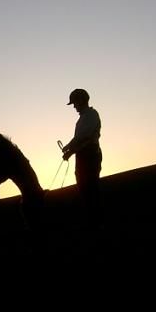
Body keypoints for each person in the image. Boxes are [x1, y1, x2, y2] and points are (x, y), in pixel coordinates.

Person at [61, 88, 102, 227]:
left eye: (74, 103)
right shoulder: (84, 118)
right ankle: (91, 219)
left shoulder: (91, 115)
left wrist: (69, 149)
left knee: (89, 188)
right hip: (84, 156)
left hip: (90, 156)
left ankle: (94, 221)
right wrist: (70, 150)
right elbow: (80, 140)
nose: (74, 106)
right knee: (84, 188)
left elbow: (84, 138)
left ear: (81, 101)